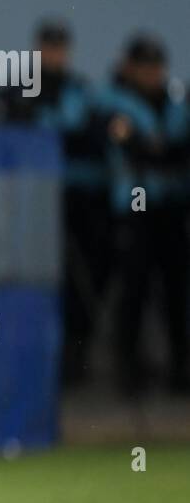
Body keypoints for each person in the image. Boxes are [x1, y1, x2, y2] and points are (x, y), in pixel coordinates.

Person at [99, 36, 190, 394]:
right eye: (145, 67)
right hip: (135, 207)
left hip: (171, 207)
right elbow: (133, 147)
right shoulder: (113, 100)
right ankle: (129, 370)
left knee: (175, 291)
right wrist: (156, 149)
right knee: (133, 289)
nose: (153, 75)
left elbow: (174, 150)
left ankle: (180, 368)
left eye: (157, 67)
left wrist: (156, 148)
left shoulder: (175, 101)